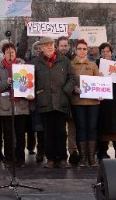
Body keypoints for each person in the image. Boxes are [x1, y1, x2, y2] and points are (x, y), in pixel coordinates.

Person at [33, 37, 75, 169]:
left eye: (51, 44)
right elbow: (30, 80)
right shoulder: (36, 62)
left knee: (61, 132)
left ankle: (62, 159)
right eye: (46, 45)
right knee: (48, 132)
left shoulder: (64, 60)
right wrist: (35, 92)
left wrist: (65, 91)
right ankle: (50, 158)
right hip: (44, 101)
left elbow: (71, 77)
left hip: (60, 101)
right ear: (41, 48)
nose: (50, 47)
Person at [0, 42, 31, 168]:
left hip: (20, 104)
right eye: (8, 53)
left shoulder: (23, 65)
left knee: (20, 133)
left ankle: (21, 158)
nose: (11, 54)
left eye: (12, 52)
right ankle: (9, 158)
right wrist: (6, 82)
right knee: (8, 134)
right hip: (5, 106)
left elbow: (29, 83)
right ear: (4, 54)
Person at [71, 39, 101, 167]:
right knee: (81, 128)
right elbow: (68, 81)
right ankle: (83, 158)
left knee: (92, 128)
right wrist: (74, 88)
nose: (82, 51)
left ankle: (91, 157)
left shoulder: (93, 64)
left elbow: (99, 82)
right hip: (78, 102)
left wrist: (101, 93)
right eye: (79, 49)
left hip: (93, 102)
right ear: (75, 50)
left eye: (84, 49)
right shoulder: (71, 65)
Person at [95, 43, 116, 160]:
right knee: (103, 129)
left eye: (107, 51)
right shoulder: (96, 65)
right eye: (103, 51)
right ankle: (102, 152)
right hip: (102, 103)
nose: (105, 53)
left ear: (111, 53)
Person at [57, 36, 78, 165]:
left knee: (72, 128)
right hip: (59, 99)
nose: (64, 48)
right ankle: (61, 153)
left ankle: (73, 151)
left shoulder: (74, 60)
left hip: (72, 98)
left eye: (66, 45)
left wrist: (68, 89)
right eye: (61, 45)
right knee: (60, 129)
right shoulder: (54, 59)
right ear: (57, 46)